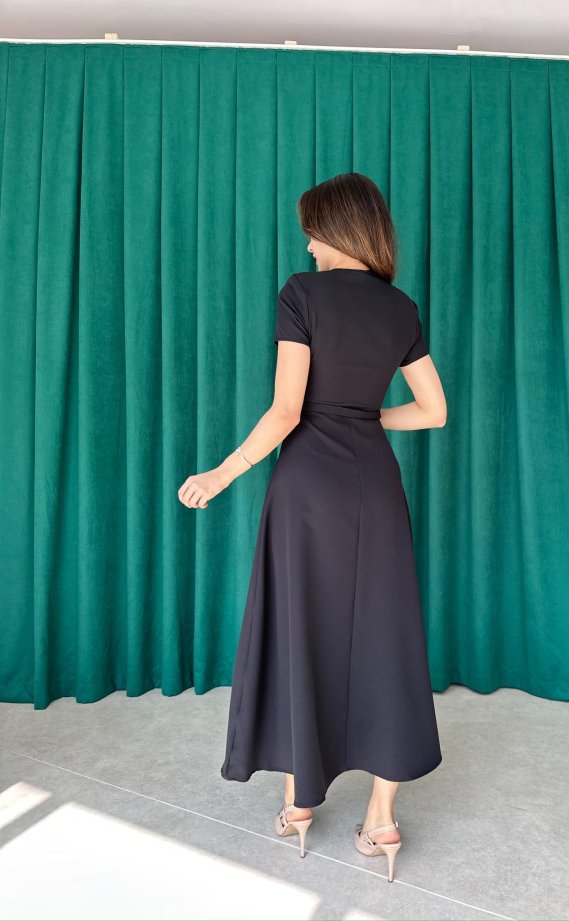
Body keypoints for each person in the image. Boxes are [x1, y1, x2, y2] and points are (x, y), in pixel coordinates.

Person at [178, 172, 447, 883]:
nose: (306, 244)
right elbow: (434, 411)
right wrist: (367, 416)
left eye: (311, 231)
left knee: (302, 629)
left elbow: (286, 411)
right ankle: (381, 820)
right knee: (386, 637)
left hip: (307, 489)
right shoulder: (400, 307)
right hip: (375, 486)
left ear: (332, 230)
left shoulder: (302, 292)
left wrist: (222, 472)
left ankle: (300, 802)